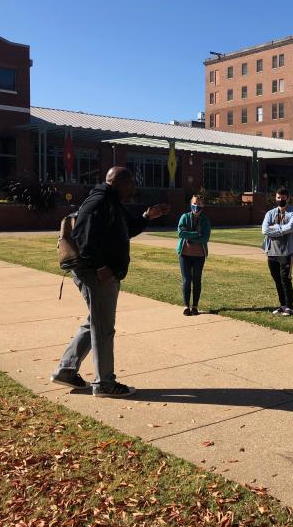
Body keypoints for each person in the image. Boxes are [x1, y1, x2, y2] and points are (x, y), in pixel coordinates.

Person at [50, 167, 169, 397]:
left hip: (100, 273)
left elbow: (127, 231)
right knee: (103, 329)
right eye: (130, 182)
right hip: (96, 275)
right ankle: (104, 383)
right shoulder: (99, 203)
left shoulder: (112, 203)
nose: (133, 187)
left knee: (94, 322)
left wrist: (146, 217)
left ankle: (65, 370)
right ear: (117, 182)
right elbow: (83, 239)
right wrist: (100, 267)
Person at [262, 187, 293, 316]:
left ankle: (289, 306)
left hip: (286, 252)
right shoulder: (270, 213)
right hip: (272, 251)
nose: (280, 200)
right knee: (277, 279)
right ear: (275, 198)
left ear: (288, 198)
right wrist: (281, 229)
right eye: (278, 197)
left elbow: (291, 227)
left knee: (285, 279)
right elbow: (264, 230)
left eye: (283, 198)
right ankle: (282, 305)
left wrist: (275, 228)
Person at [176, 195, 211, 316]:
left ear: (203, 206)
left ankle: (195, 307)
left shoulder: (205, 220)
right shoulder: (184, 217)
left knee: (197, 280)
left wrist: (190, 238)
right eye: (194, 203)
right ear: (191, 204)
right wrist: (197, 234)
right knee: (186, 280)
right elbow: (181, 233)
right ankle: (186, 306)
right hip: (184, 254)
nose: (196, 206)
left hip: (199, 255)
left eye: (199, 204)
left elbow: (205, 238)